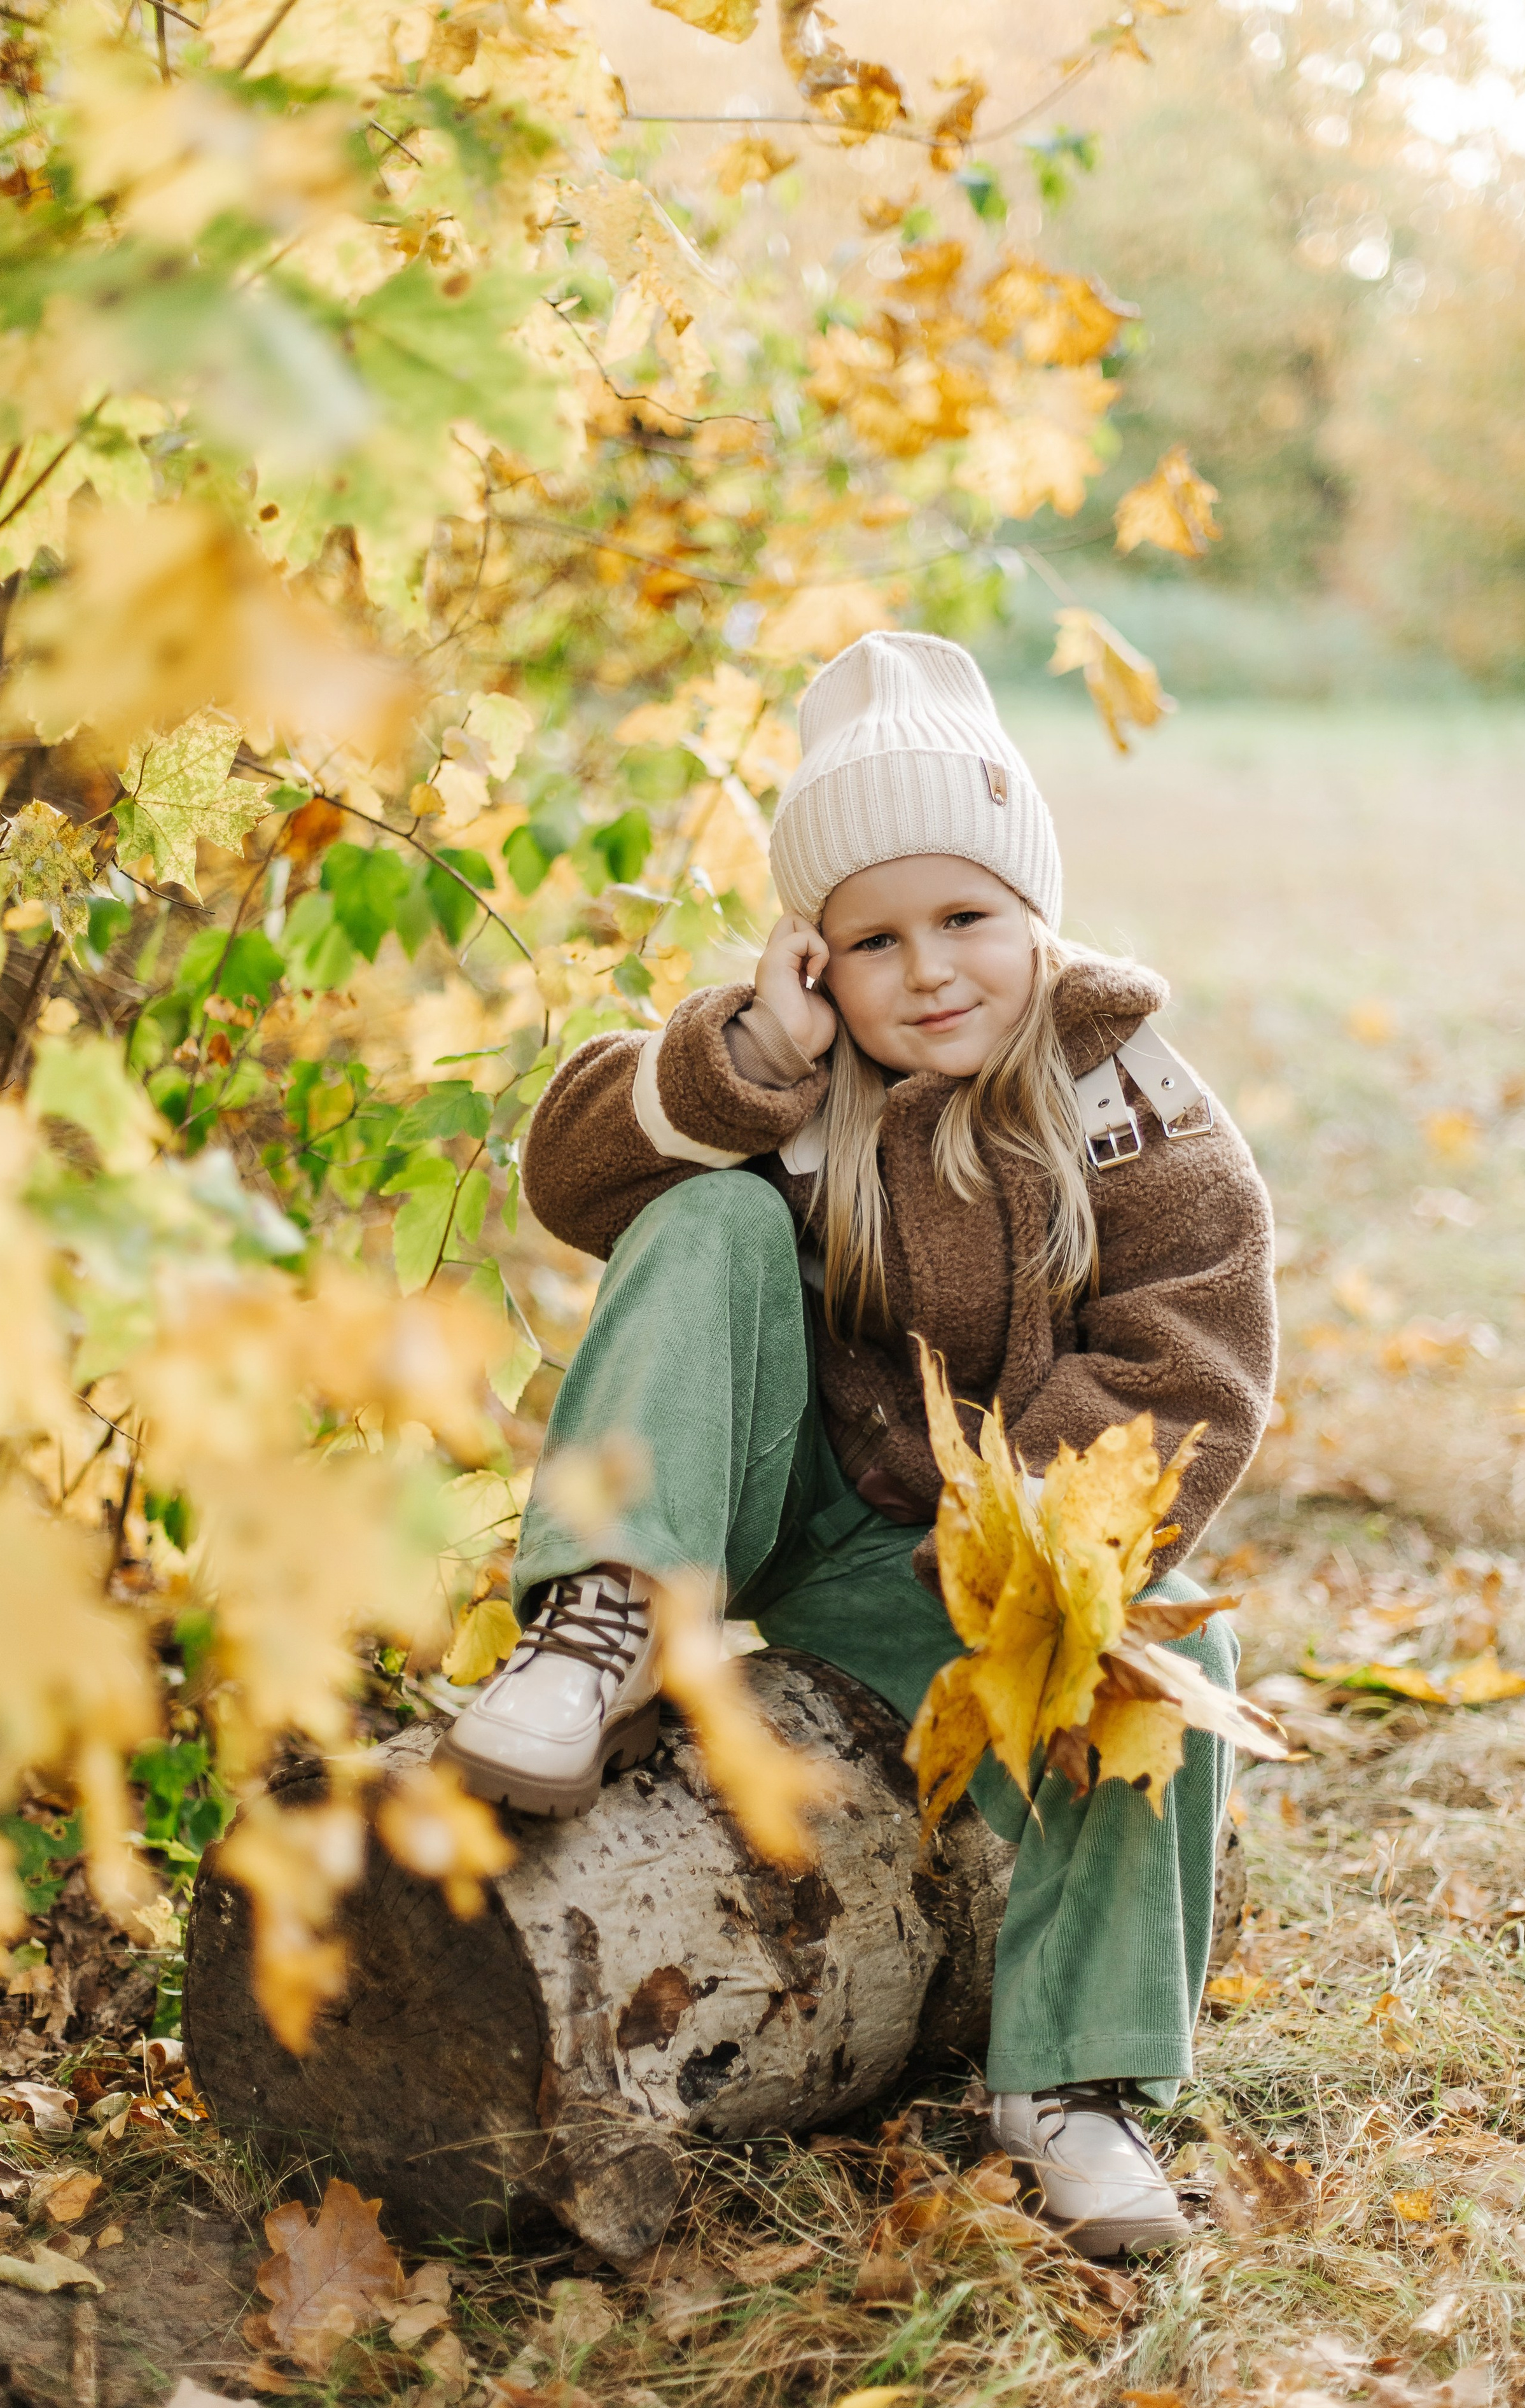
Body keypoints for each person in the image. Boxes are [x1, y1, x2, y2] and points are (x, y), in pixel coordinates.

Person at [445, 631, 1277, 2257]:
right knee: (702, 1221)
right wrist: (748, 1062)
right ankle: (605, 1618)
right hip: (765, 1497)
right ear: (813, 960)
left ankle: (1077, 2089)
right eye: (872, 939)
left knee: (1166, 1670)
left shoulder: (1130, 1106)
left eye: (966, 918)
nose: (929, 971)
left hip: (979, 1549)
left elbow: (1194, 1356)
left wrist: (1021, 1556)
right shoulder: (789, 1074)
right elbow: (569, 1186)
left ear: (1035, 915)